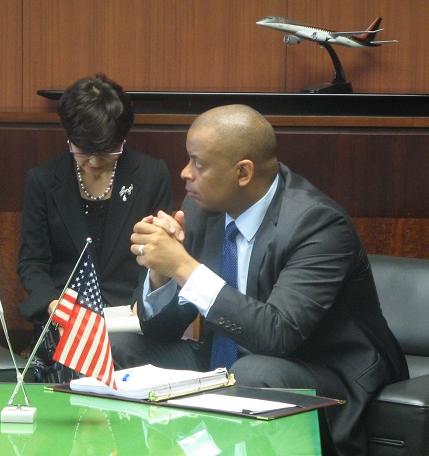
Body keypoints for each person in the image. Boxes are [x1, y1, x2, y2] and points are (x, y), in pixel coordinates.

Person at [122, 104, 407, 454]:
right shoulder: (202, 208)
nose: (184, 173)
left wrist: (183, 267)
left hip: (319, 372)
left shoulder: (317, 223)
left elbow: (278, 335)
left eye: (199, 163)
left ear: (243, 172)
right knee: (122, 349)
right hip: (226, 367)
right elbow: (160, 330)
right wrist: (161, 270)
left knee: (254, 372)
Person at [17, 73, 174, 380]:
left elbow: (157, 255)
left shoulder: (151, 175)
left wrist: (142, 303)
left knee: (122, 351)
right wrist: (52, 303)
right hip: (66, 320)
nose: (95, 162)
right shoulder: (44, 180)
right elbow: (32, 262)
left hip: (128, 319)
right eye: (83, 150)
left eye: (107, 151)